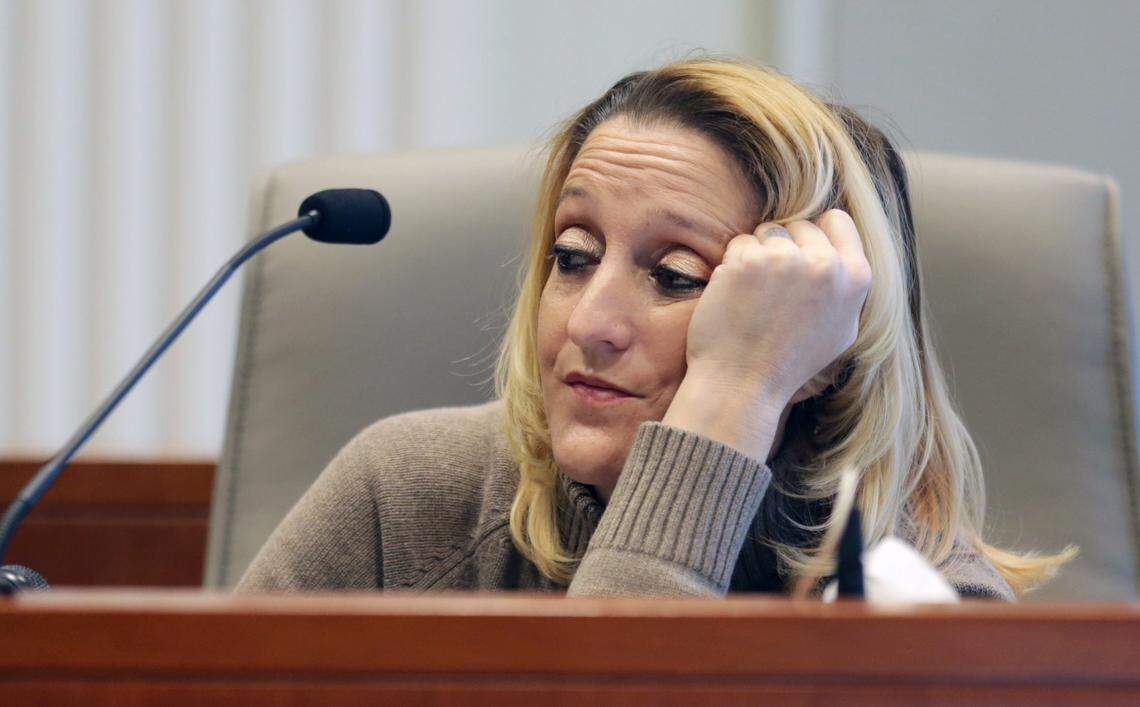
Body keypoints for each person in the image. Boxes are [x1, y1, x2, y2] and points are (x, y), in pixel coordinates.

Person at [235, 57, 1077, 600]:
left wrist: (732, 396)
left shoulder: (920, 594)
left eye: (675, 275)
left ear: (818, 340)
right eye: (572, 256)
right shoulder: (407, 500)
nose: (590, 322)